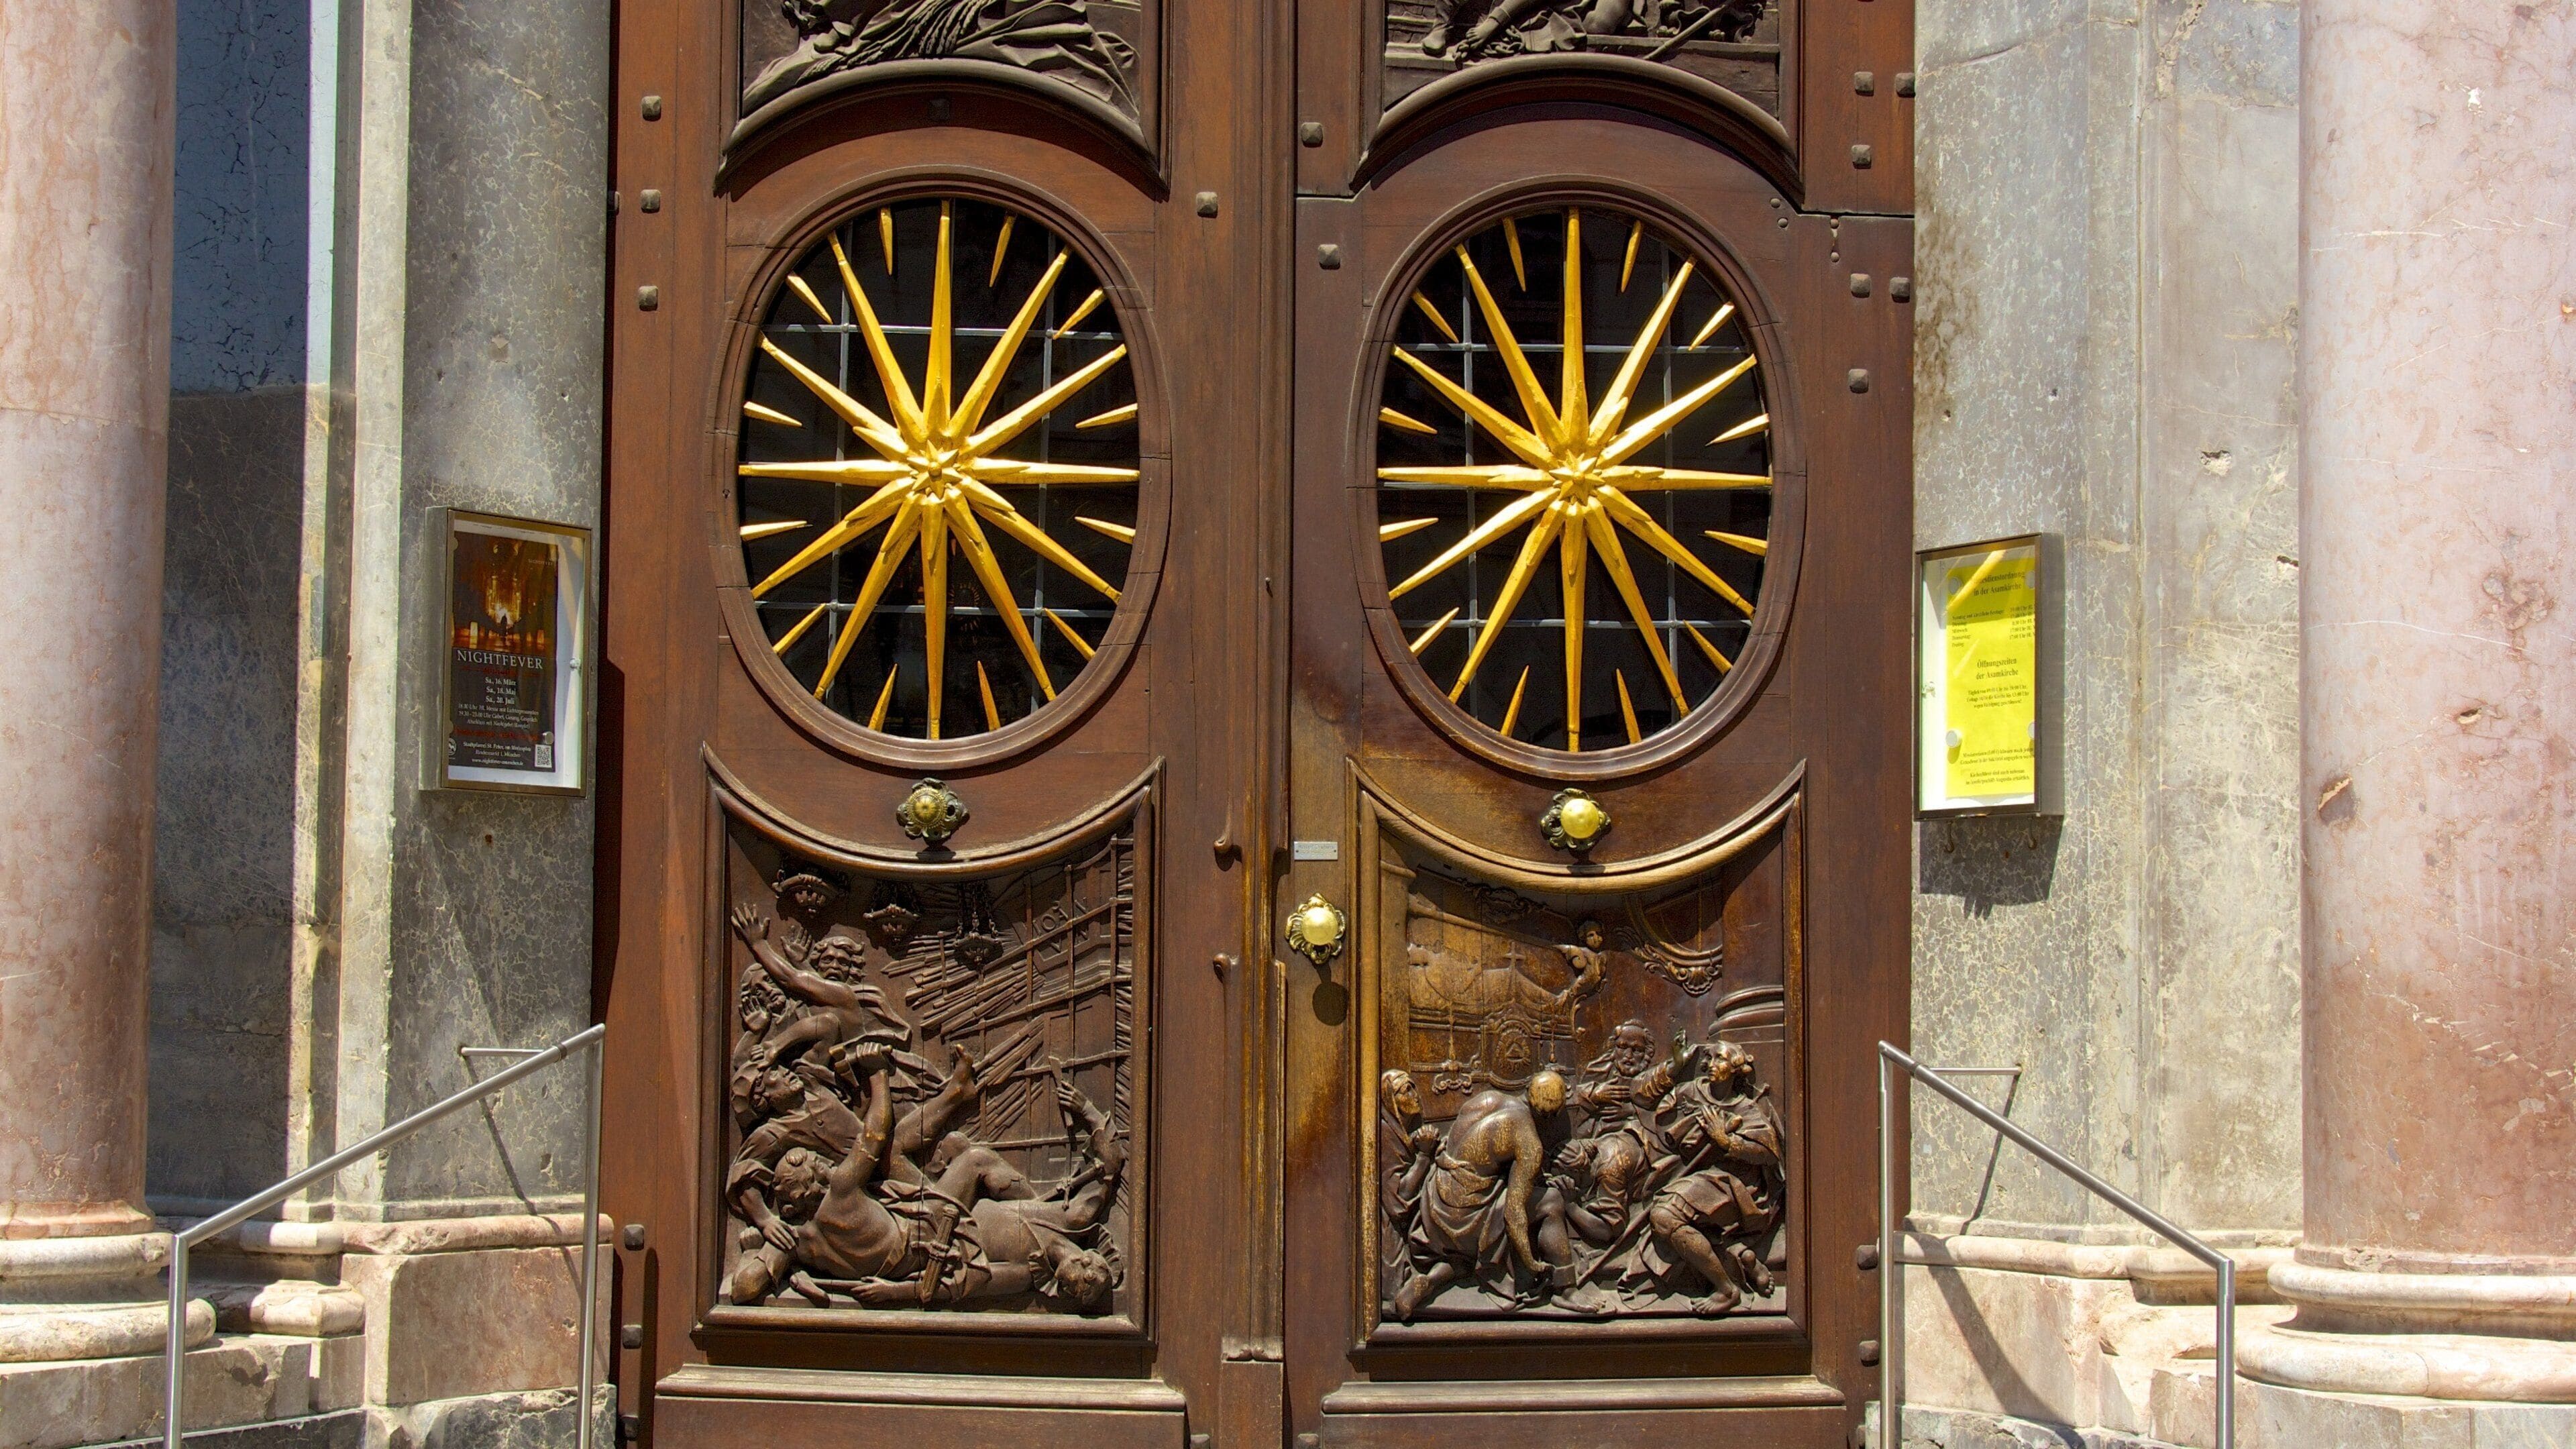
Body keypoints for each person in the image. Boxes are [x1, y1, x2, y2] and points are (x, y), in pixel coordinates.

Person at [1387, 1069, 1578, 1320]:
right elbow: (1514, 1215)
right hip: (1467, 1217)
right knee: (1551, 1201)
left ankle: (1429, 1280)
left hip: (1434, 1205)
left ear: (1527, 1089)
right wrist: (1531, 1262)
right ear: (1551, 1116)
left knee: (1463, 1260)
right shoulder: (1529, 1141)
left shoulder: (1487, 1099)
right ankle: (1567, 1290)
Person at [1646, 1040, 1784, 1313]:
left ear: (1735, 1068)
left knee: (1664, 1217)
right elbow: (1661, 1116)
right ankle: (1739, 1254)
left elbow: (1769, 1153)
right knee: (1678, 1219)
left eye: (1719, 1059)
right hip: (1695, 1178)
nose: (1709, 1065)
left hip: (1734, 1186)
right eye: (1707, 1059)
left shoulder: (1746, 1109)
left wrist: (1727, 1141)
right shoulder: (1691, 1091)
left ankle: (1726, 1289)